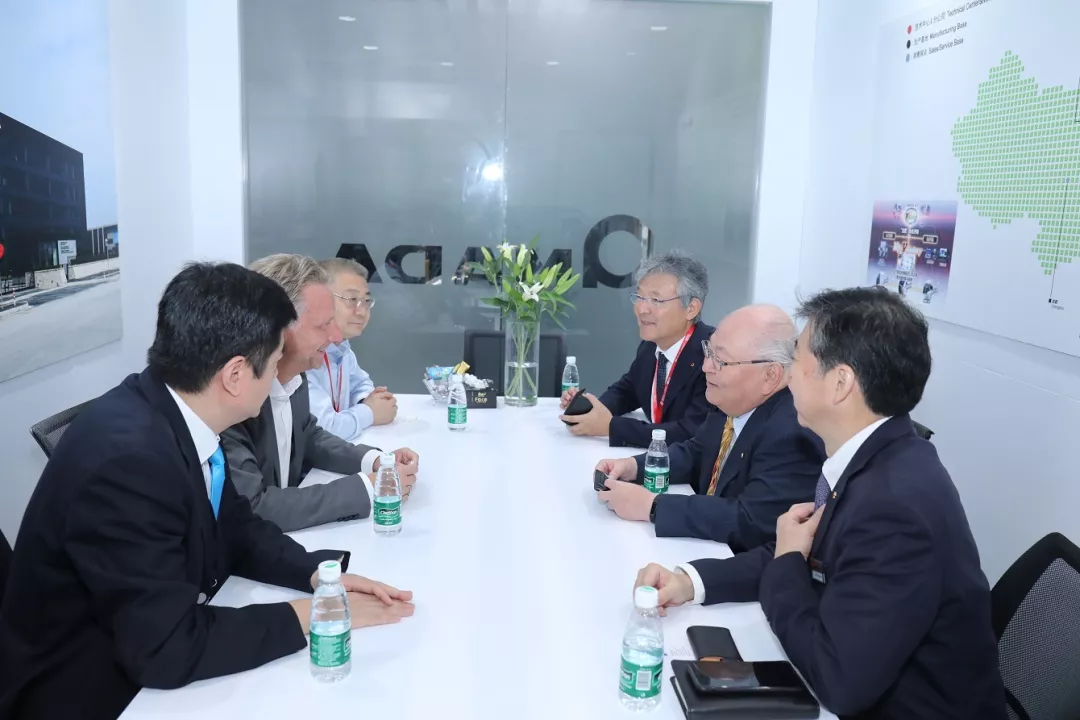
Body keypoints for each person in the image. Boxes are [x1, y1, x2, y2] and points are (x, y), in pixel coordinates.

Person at [0, 263, 415, 720]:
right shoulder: (129, 463)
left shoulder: (175, 408)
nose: (280, 374)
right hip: (90, 689)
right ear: (236, 374)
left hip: (142, 642)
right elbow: (167, 647)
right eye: (276, 360)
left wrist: (318, 575)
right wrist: (310, 614)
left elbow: (236, 526)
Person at [633, 287, 1005, 720]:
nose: (787, 375)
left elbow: (838, 681)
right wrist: (690, 582)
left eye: (798, 360)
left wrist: (789, 561)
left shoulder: (894, 507)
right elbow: (807, 553)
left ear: (840, 383)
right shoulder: (876, 455)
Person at [595, 305, 823, 551]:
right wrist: (635, 466)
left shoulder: (793, 433)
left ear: (770, 376)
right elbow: (696, 453)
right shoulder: (730, 402)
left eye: (720, 360)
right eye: (708, 351)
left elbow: (749, 520)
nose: (706, 367)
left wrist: (653, 506)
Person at [223, 254, 419, 533]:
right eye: (322, 326)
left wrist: (376, 461)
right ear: (277, 329)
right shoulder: (233, 397)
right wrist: (367, 487)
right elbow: (255, 507)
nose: (335, 337)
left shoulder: (295, 377)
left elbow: (309, 436)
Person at [560, 250, 713, 448]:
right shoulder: (650, 347)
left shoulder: (713, 356)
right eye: (640, 297)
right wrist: (591, 409)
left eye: (656, 300)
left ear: (691, 308)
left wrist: (611, 427)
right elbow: (628, 391)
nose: (642, 309)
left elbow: (689, 432)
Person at [307, 257, 397, 441]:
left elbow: (361, 383)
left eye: (366, 300)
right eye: (352, 299)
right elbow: (323, 428)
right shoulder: (305, 354)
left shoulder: (341, 347)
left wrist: (367, 401)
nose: (362, 311)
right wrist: (369, 412)